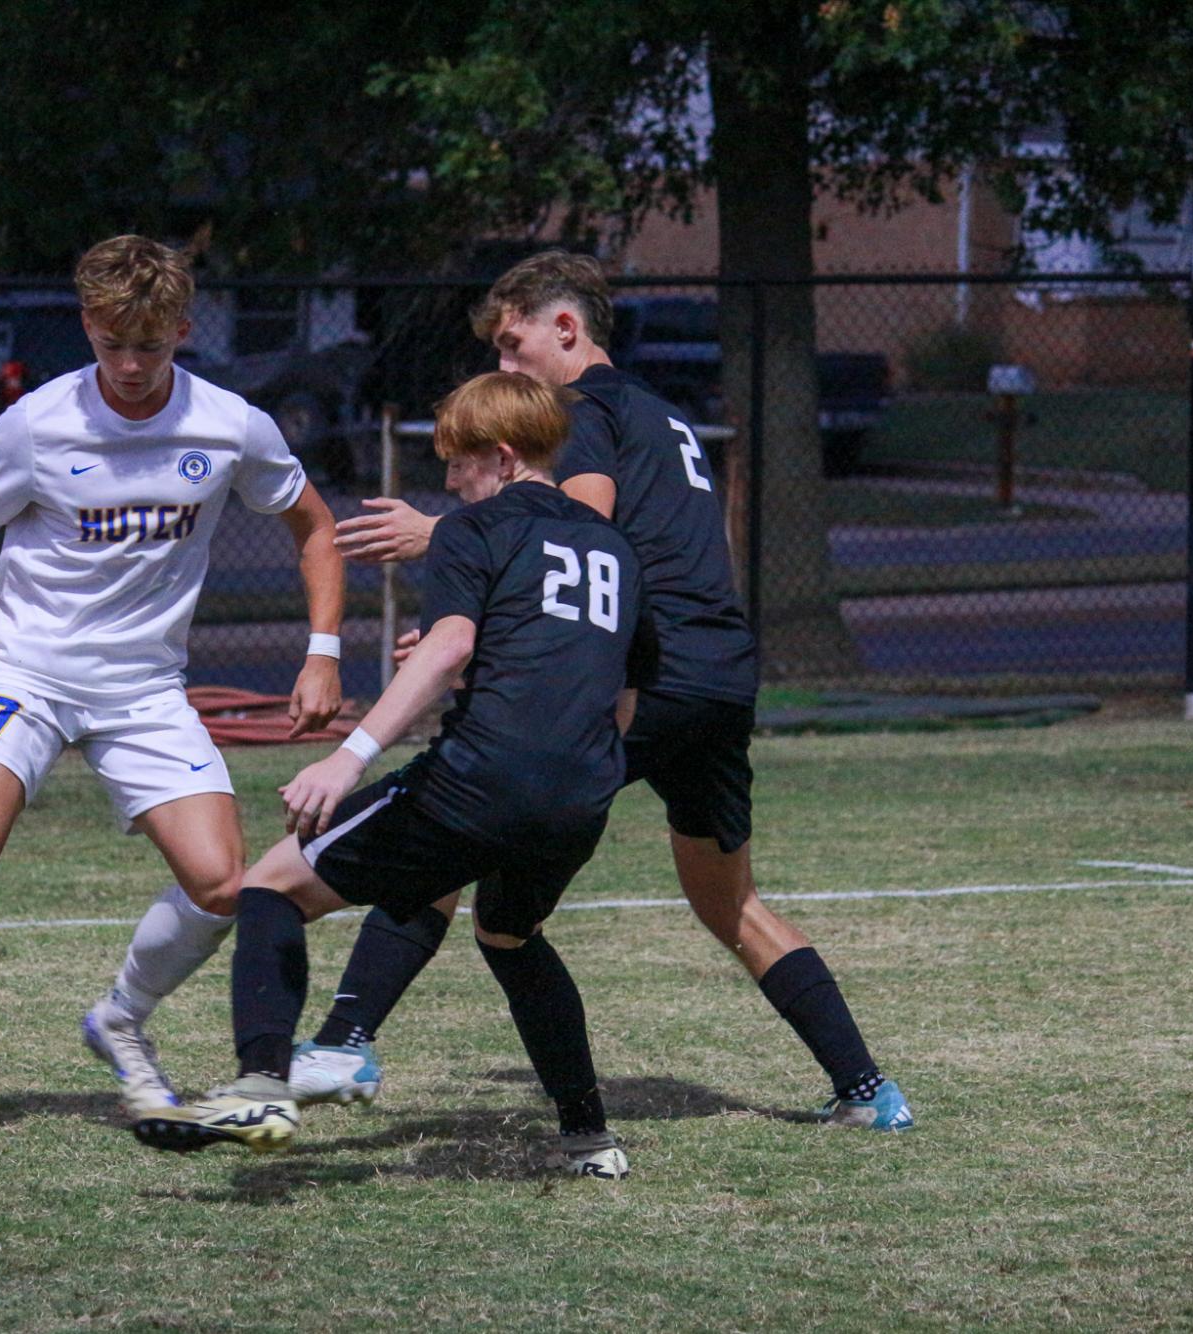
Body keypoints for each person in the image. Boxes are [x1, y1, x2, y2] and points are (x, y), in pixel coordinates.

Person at [302, 250, 912, 1131]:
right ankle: (867, 1092)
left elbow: (573, 532)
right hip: (719, 675)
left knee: (459, 811)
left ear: (565, 328)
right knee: (726, 900)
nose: (505, 371)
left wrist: (444, 532)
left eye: (513, 347)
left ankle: (344, 1038)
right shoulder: (666, 413)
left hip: (647, 677)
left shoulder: (577, 411)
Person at [0, 234, 344, 1138]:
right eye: (112, 345)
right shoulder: (36, 422)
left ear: (182, 330)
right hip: (24, 670)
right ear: (86, 329)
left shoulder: (229, 425)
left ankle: (119, 1017)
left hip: (144, 687)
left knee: (223, 885)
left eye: (151, 345)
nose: (133, 366)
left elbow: (312, 525)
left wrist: (324, 649)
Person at [131, 371, 642, 1179]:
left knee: (267, 887)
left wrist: (348, 754)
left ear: (503, 458)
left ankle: (262, 1086)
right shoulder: (613, 546)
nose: (447, 483)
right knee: (510, 935)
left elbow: (448, 649)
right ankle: (588, 1137)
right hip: (581, 793)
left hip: (481, 778)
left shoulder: (475, 530)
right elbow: (615, 684)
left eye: (457, 463)